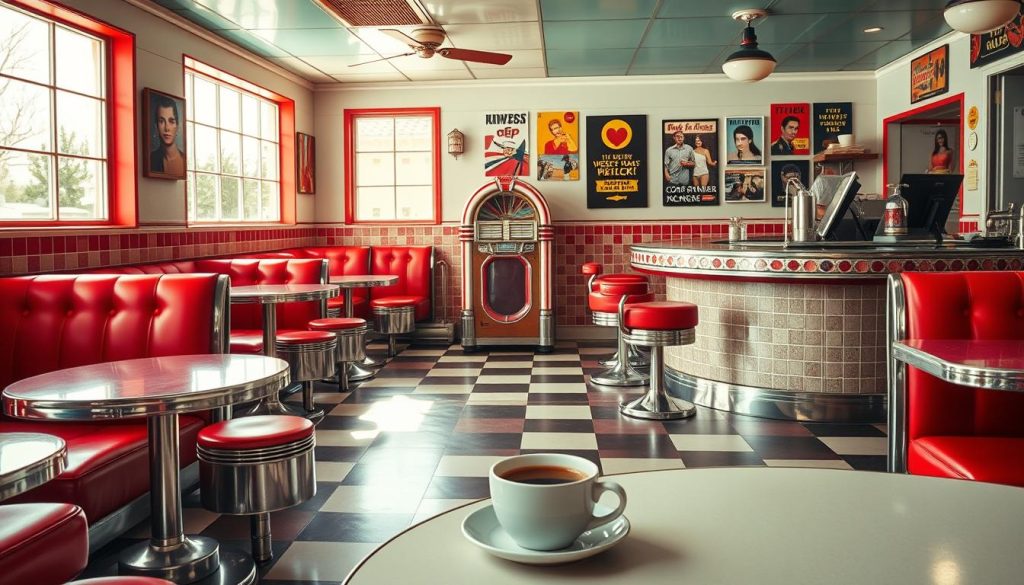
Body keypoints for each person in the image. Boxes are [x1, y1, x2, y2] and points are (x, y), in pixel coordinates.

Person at [149, 94, 184, 176]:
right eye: (161, 121)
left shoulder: (185, 159)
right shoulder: (151, 159)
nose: (167, 128)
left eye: (171, 121)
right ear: (156, 126)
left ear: (177, 126)